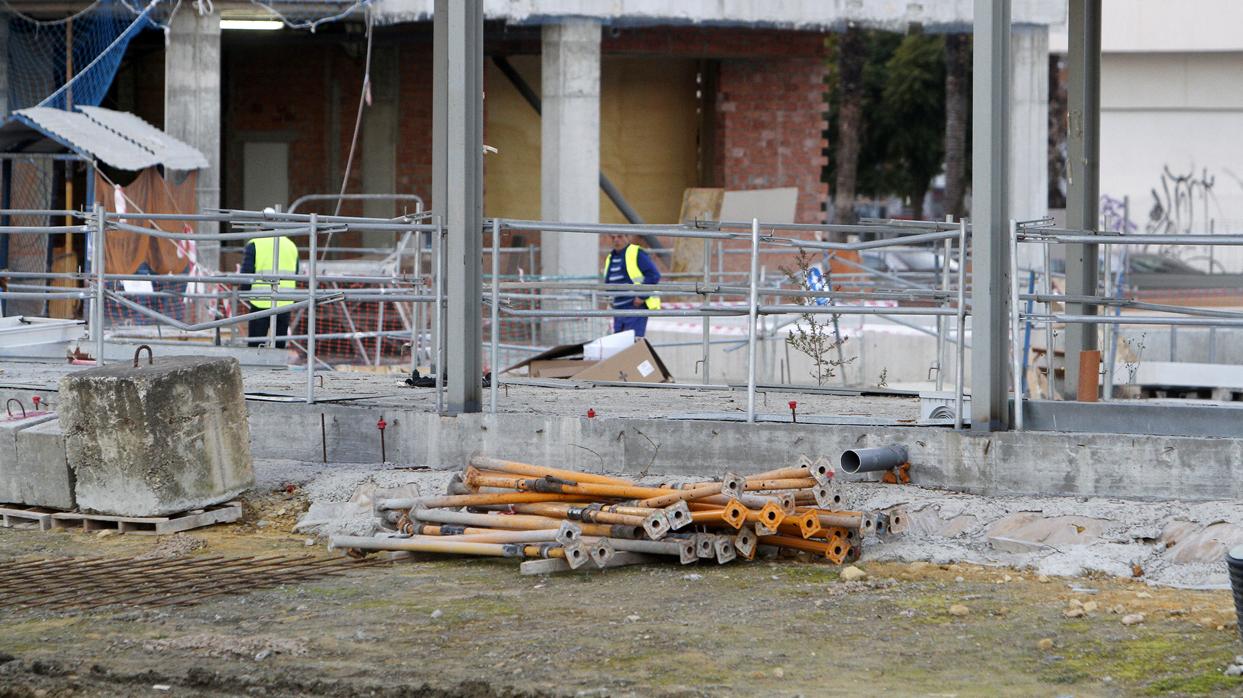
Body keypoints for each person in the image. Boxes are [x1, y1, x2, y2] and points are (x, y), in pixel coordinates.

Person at [241, 235, 299, 348]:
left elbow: (246, 274)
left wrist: (244, 293)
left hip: (260, 301)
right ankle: (278, 365)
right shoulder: (290, 245)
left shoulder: (255, 243)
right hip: (284, 301)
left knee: (256, 344)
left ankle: (256, 365)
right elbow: (296, 272)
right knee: (279, 344)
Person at [602, 233, 661, 338]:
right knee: (620, 345)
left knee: (633, 344)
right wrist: (608, 299)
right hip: (618, 309)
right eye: (613, 237)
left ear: (627, 237)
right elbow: (609, 282)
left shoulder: (636, 253)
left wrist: (642, 296)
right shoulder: (611, 257)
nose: (616, 240)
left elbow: (653, 275)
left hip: (634, 307)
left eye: (619, 236)